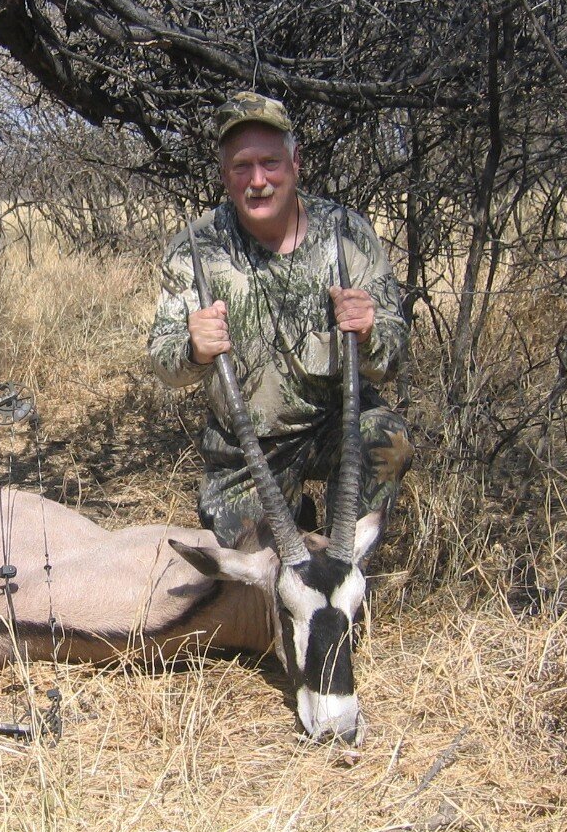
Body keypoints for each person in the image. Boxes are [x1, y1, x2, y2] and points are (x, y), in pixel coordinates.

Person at [148, 91, 413, 550]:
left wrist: (371, 333)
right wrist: (192, 350)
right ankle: (296, 524)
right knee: (257, 571)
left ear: (296, 163)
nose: (257, 181)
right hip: (245, 449)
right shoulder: (194, 246)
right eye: (241, 167)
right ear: (224, 175)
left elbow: (392, 358)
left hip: (334, 426)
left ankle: (344, 567)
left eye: (270, 163)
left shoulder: (347, 233)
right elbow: (163, 361)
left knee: (386, 437)